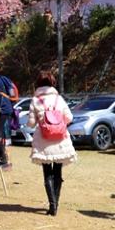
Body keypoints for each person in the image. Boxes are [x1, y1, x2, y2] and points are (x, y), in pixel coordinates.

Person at [28, 71, 76, 216]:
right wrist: (58, 121)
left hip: (44, 140)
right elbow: (69, 117)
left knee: (47, 173)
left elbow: (31, 123)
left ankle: (52, 205)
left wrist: (41, 120)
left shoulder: (35, 101)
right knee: (58, 172)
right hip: (60, 138)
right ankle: (56, 203)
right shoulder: (59, 99)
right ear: (52, 83)